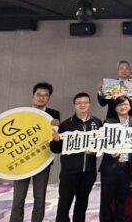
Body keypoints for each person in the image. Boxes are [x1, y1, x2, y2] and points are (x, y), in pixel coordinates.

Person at [0, 82, 60, 222]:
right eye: (38, 94)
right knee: (18, 198)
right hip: (21, 161)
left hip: (42, 161)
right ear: (32, 96)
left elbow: (56, 137)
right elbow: (7, 136)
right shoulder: (22, 113)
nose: (41, 98)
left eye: (45, 95)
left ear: (49, 98)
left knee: (40, 198)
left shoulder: (54, 115)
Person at [51, 92, 103, 222]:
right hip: (69, 172)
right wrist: (56, 140)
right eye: (79, 103)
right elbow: (56, 149)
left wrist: (95, 150)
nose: (82, 105)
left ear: (89, 104)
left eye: (85, 102)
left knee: (82, 203)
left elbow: (101, 144)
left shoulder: (97, 123)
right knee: (64, 204)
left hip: (88, 172)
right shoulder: (66, 124)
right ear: (74, 105)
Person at [98, 96, 132, 222]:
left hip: (126, 167)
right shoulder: (108, 122)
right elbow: (102, 143)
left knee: (122, 200)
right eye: (119, 105)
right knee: (106, 200)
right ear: (115, 108)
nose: (123, 107)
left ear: (130, 106)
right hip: (110, 168)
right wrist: (110, 152)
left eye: (125, 104)